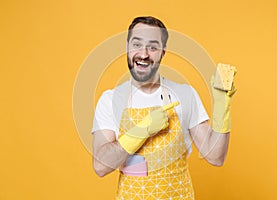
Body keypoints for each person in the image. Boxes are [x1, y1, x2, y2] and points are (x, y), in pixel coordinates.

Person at [92, 16, 236, 199]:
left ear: (162, 53)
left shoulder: (185, 94)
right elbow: (100, 166)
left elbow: (215, 157)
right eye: (137, 44)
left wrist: (222, 107)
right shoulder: (111, 99)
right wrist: (141, 131)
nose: (143, 54)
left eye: (152, 47)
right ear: (127, 47)